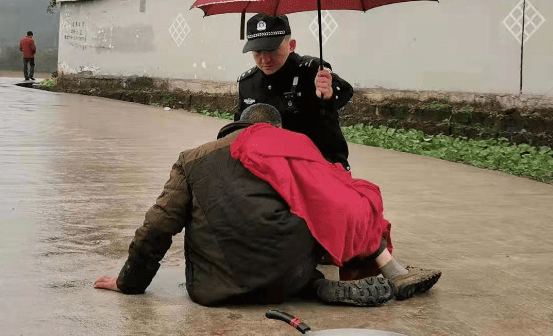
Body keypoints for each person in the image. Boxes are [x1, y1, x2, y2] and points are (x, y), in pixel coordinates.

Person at [94, 104, 440, 306]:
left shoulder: (193, 159)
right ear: (274, 128)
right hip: (289, 281)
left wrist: (130, 282)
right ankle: (317, 284)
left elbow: (159, 225)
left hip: (215, 291)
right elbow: (338, 204)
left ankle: (313, 283)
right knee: (337, 202)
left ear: (236, 127)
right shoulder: (293, 147)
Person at [235, 14, 353, 171]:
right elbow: (239, 127)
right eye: (257, 52)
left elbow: (345, 91)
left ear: (291, 45)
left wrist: (328, 93)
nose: (265, 59)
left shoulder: (312, 70)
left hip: (321, 163)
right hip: (272, 168)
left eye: (272, 50)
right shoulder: (248, 83)